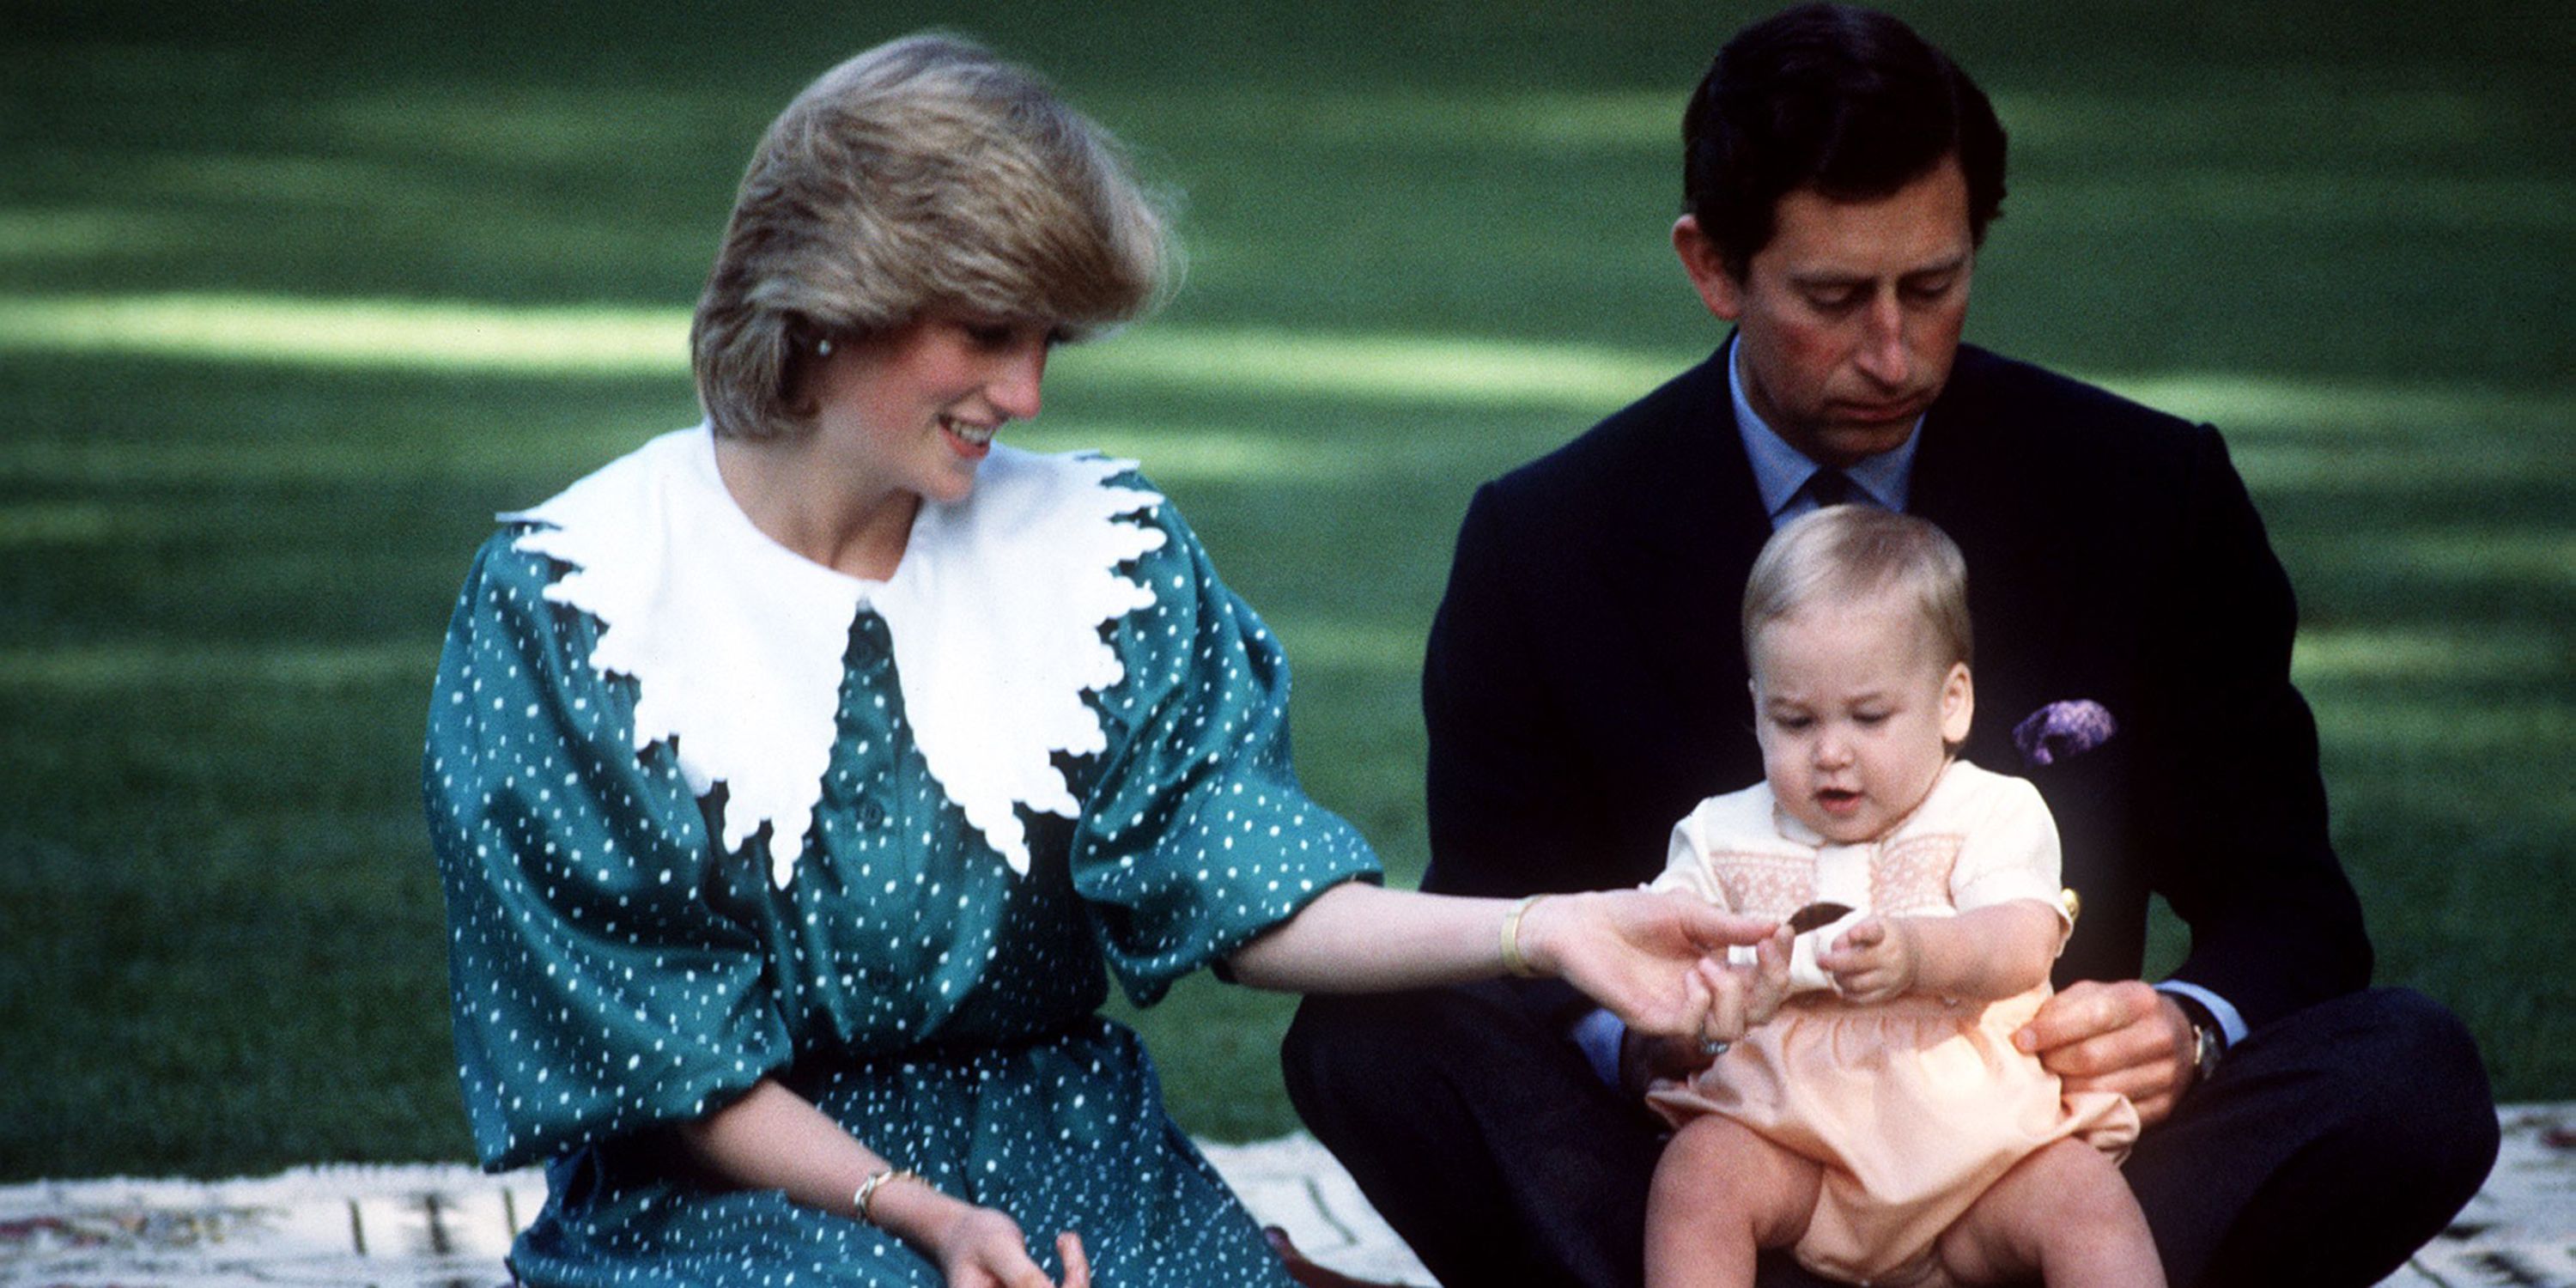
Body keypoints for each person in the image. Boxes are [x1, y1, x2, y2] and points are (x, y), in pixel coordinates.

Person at [422, 34, 1765, 1288]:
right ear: (836, 296)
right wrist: (922, 1213)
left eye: (1046, 341)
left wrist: (1546, 930)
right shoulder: (580, 601)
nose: (1026, 396)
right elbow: (662, 1059)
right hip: (735, 1202)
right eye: (990, 331)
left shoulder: (1100, 556)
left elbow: (1244, 885)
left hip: (1075, 1160)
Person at [1281, 6, 2498, 1287]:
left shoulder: (2149, 494)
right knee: (1374, 1034)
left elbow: (2292, 909)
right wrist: (1647, 1045)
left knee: (2408, 1070)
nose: (1895, 350)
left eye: (1935, 284)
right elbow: (1506, 916)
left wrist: (2184, 1030)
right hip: (1719, 1168)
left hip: (2054, 1169)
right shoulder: (1544, 539)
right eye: (1833, 297)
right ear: (1712, 267)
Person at [1640, 505, 2156, 1288]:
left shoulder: (1989, 810)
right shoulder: (1720, 834)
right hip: (1795, 1147)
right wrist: (1711, 998)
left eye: (1870, 716)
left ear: (1953, 702)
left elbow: (2021, 941)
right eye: (1795, 720)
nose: (1832, 752)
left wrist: (1922, 953)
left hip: (1980, 1156)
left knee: (2087, 1200)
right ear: (1756, 710)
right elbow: (1662, 952)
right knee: (1697, 1175)